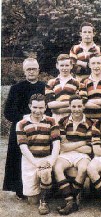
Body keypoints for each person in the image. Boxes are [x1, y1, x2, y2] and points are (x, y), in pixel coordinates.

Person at [3, 58, 46, 199]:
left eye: (34, 68)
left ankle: (43, 188)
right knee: (18, 159)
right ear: (24, 71)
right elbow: (8, 112)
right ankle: (19, 189)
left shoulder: (45, 87)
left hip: (41, 128)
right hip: (20, 128)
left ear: (38, 70)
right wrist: (26, 119)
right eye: (29, 69)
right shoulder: (16, 88)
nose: (31, 71)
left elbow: (49, 110)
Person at [16, 94, 60, 215]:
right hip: (30, 161)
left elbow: (56, 145)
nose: (37, 111)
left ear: (45, 107)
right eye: (35, 107)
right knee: (32, 201)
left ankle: (44, 201)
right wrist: (36, 163)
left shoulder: (51, 121)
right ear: (30, 106)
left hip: (46, 158)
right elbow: (23, 148)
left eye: (41, 108)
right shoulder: (21, 123)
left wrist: (50, 162)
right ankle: (42, 191)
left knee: (45, 172)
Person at [54, 95, 93, 215]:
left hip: (82, 155)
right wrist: (82, 142)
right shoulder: (62, 121)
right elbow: (63, 146)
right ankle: (70, 201)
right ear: (69, 106)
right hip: (66, 153)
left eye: (79, 106)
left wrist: (72, 144)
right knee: (57, 168)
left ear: (83, 106)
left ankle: (72, 200)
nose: (77, 109)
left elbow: (89, 149)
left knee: (83, 168)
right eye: (74, 106)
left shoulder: (90, 123)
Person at [45, 54, 84, 123]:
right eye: (62, 65)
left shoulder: (77, 82)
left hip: (73, 118)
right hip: (56, 118)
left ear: (71, 66)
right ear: (57, 66)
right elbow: (50, 104)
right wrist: (71, 103)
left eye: (67, 65)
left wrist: (58, 109)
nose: (64, 68)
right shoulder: (51, 83)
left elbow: (79, 104)